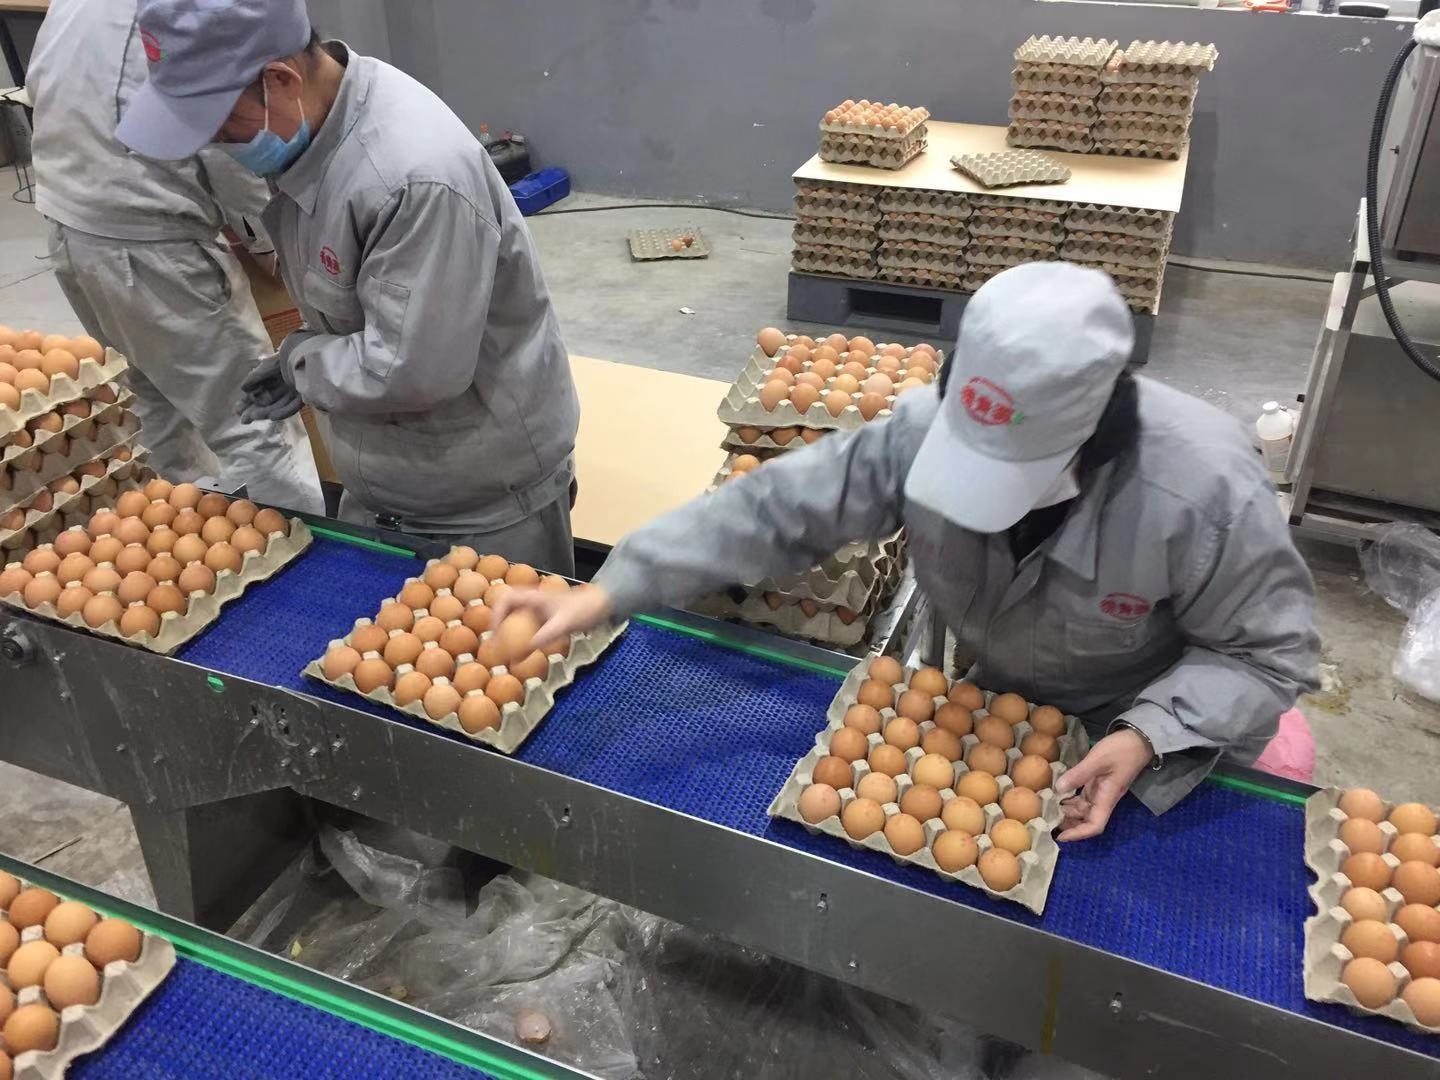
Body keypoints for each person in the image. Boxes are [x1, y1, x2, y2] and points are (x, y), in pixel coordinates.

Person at [497, 263, 1322, 839]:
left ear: (1094, 438)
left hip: (1144, 730)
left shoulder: (1202, 492)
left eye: (1015, 475)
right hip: (1002, 712)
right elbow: (779, 507)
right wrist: (613, 585)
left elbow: (1268, 657)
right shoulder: (929, 428)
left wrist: (1150, 732)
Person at [114, 0, 580, 573]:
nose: (213, 144)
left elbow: (412, 371)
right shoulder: (316, 131)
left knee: (496, 630)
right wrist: (312, 365)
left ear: (280, 80)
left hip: (480, 508)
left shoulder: (411, 177)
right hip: (391, 489)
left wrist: (303, 362)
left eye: (219, 124)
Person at [25, 0, 323, 514]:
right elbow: (225, 130)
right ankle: (298, 549)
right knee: (254, 421)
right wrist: (266, 238)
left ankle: (179, 524)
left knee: (155, 399)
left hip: (71, 226)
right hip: (152, 243)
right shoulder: (188, 12)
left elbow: (40, 86)